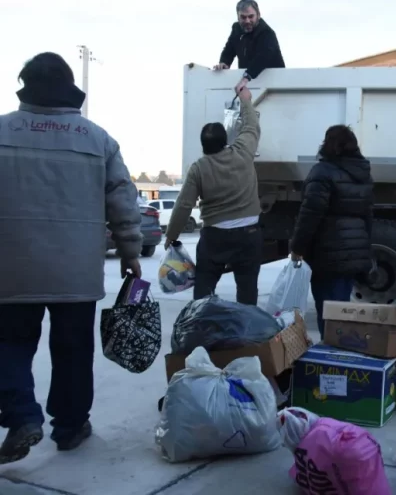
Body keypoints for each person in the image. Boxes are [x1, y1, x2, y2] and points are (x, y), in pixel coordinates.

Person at [0, 53, 142, 463]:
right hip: (76, 272)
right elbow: (122, 199)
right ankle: (70, 425)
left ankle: (22, 415)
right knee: (74, 350)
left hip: (12, 267)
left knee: (8, 345)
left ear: (25, 85)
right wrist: (130, 252)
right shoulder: (96, 138)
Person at [165, 86, 263, 305]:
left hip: (215, 238)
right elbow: (251, 127)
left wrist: (171, 235)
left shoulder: (199, 168)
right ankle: (246, 334)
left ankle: (202, 329)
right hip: (249, 234)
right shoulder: (243, 152)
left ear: (203, 146)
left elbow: (184, 205)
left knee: (204, 288)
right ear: (225, 140)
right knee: (247, 290)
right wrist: (246, 100)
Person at [289, 125, 374, 341]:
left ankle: (332, 357)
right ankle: (341, 351)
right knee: (341, 309)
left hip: (327, 255)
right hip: (352, 253)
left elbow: (309, 215)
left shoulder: (323, 172)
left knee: (328, 312)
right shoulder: (363, 174)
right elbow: (368, 215)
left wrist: (297, 248)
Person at [213, 0, 285, 93]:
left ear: (258, 15)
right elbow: (229, 49)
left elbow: (264, 56)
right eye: (243, 17)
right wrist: (224, 63)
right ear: (238, 17)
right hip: (249, 85)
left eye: (251, 16)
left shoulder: (267, 33)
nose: (247, 21)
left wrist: (246, 77)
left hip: (272, 85)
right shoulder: (236, 29)